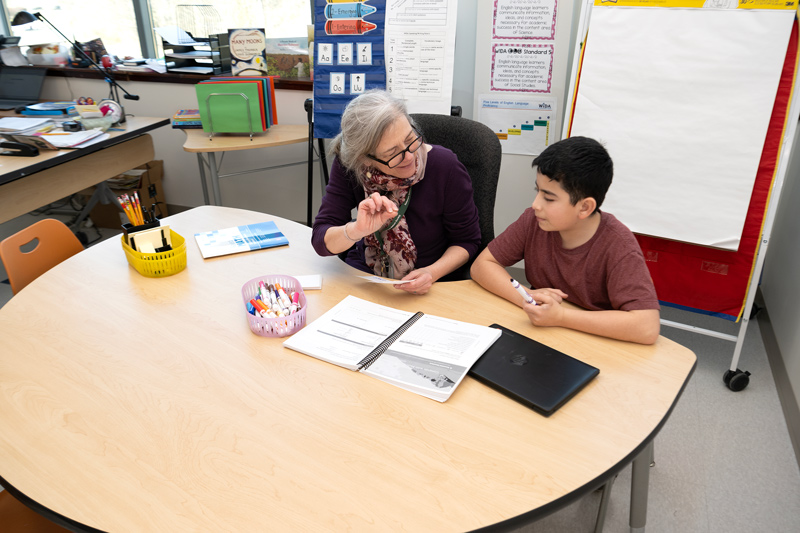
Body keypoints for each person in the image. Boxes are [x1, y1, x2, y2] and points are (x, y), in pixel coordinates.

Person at [470, 136, 660, 344]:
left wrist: (561, 317)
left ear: (585, 207)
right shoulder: (535, 220)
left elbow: (647, 326)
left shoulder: (618, 245)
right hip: (542, 335)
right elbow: (482, 265)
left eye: (549, 198)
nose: (535, 204)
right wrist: (527, 297)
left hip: (593, 342)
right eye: (538, 191)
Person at [312, 90, 481, 295]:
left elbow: (467, 241)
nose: (409, 156)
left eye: (410, 139)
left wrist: (431, 272)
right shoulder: (351, 167)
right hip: (366, 276)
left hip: (428, 284)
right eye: (393, 154)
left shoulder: (446, 167)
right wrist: (356, 230)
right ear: (364, 160)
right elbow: (321, 241)